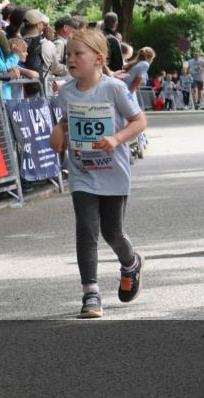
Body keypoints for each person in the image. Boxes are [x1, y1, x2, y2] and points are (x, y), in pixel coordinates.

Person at [50, 28, 147, 318]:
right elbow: (67, 121)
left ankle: (131, 263)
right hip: (82, 172)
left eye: (78, 54)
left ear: (97, 59)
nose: (71, 59)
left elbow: (139, 121)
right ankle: (90, 293)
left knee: (112, 232)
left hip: (113, 172)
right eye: (69, 55)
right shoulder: (65, 91)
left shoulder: (114, 88)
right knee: (86, 230)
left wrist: (116, 139)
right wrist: (59, 130)